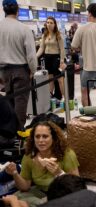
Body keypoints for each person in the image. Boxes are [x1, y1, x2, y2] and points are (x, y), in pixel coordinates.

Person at [4, 121, 80, 207]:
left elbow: (76, 188)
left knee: (18, 203)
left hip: (62, 193)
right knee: (14, 198)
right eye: (37, 136)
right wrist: (14, 173)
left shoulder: (67, 154)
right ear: (33, 139)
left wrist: (59, 173)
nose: (41, 140)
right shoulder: (29, 156)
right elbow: (25, 187)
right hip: (40, 192)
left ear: (54, 138)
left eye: (45, 136)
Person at [0, 0, 37, 130]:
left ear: (4, 10)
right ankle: (18, 134)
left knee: (8, 103)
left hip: (3, 71)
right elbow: (31, 55)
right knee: (20, 103)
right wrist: (33, 70)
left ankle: (8, 134)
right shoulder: (24, 28)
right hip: (21, 70)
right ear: (17, 11)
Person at [36, 16, 66, 99]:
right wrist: (35, 56)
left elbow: (62, 49)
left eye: (51, 23)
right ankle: (51, 98)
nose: (49, 24)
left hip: (56, 58)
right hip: (47, 58)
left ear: (54, 24)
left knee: (60, 80)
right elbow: (41, 48)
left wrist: (62, 61)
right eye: (48, 22)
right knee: (50, 80)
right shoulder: (44, 35)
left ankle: (64, 98)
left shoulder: (58, 35)